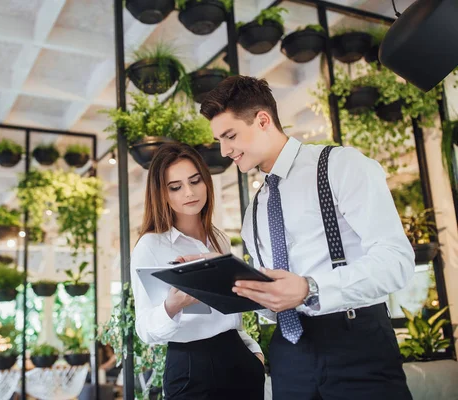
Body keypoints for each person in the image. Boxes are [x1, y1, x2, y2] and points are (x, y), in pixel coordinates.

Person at [177, 75, 415, 400]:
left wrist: (309, 288)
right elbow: (273, 302)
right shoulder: (255, 212)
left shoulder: (340, 167)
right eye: (219, 139)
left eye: (230, 135)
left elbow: (396, 262)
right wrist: (225, 280)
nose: (224, 150)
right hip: (289, 355)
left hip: (356, 343)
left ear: (263, 120)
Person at [130, 142, 265, 400]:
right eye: (176, 187)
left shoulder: (219, 240)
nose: (189, 192)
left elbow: (230, 310)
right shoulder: (151, 245)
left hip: (239, 359)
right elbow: (144, 330)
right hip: (191, 367)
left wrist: (253, 352)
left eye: (195, 181)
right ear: (161, 193)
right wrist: (172, 305)